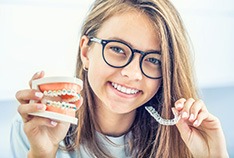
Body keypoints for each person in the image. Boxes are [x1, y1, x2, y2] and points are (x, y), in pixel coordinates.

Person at [10, 0, 229, 157]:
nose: (133, 74)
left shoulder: (181, 139)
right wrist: (42, 153)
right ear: (86, 52)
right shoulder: (32, 128)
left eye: (154, 60)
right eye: (117, 49)